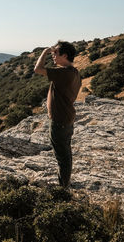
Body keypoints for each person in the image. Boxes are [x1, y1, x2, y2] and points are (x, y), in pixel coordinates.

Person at [34, 41, 81, 188]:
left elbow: (38, 69)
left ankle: (63, 187)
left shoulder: (64, 73)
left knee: (63, 157)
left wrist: (45, 52)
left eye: (56, 53)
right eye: (53, 53)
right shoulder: (73, 72)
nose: (53, 56)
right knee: (65, 153)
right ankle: (65, 182)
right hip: (66, 118)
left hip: (60, 120)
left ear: (65, 55)